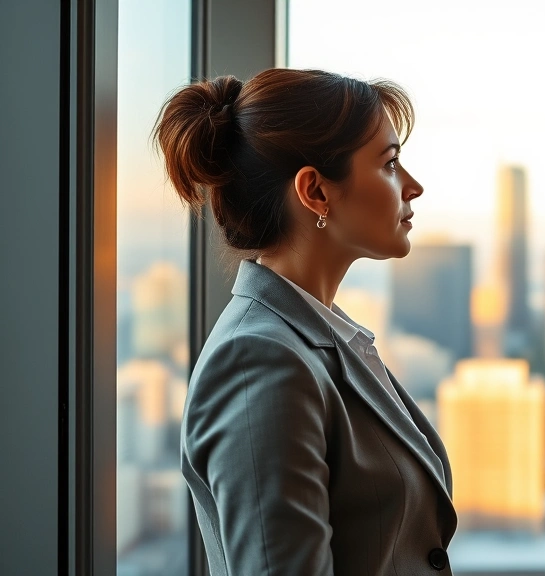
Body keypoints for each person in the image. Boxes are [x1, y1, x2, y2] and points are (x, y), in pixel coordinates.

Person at [154, 69, 457, 575]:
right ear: (315, 191)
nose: (414, 186)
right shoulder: (259, 360)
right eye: (390, 163)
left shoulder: (320, 335)